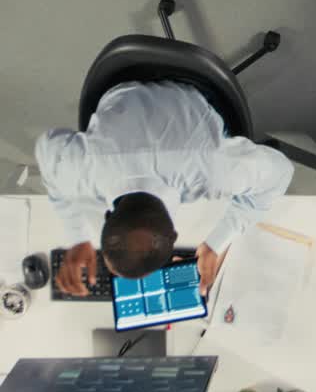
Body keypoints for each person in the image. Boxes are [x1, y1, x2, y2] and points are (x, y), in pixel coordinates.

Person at [36, 79, 295, 297]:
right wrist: (78, 239)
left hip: (196, 84)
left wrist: (219, 240)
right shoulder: (77, 169)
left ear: (173, 236)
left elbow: (282, 171)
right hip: (118, 84)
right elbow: (45, 151)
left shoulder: (211, 170)